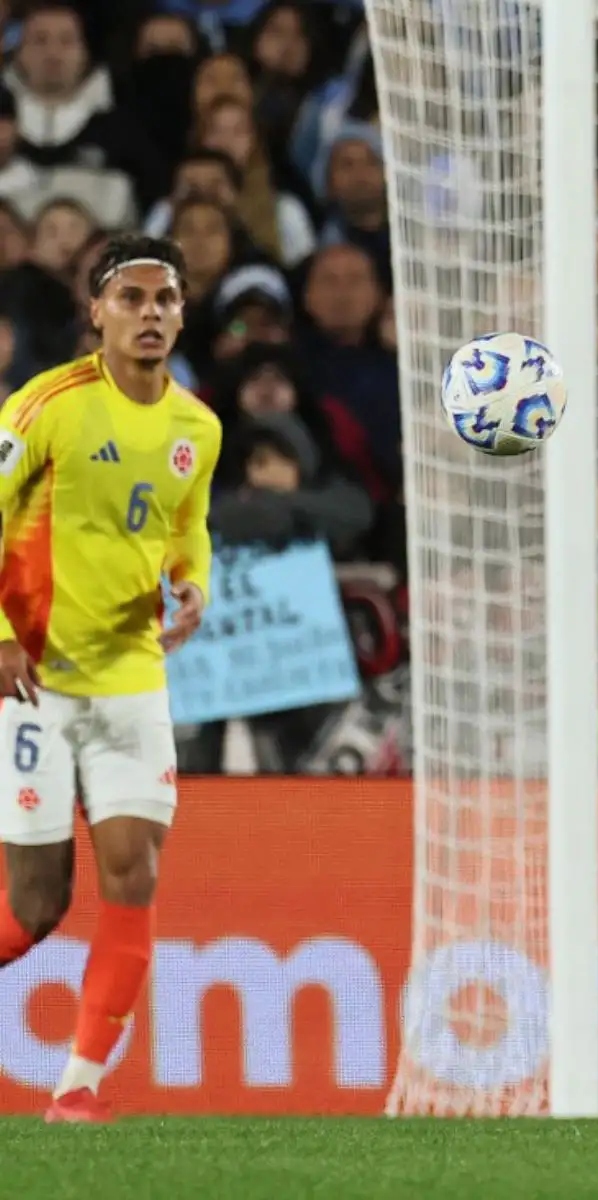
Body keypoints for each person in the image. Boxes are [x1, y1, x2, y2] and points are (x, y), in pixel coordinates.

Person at [0, 234, 222, 1123]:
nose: (150, 315)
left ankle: (79, 1093)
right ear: (96, 312)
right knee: (38, 902)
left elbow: (186, 524)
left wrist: (193, 577)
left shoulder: (196, 427)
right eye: (131, 299)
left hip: (132, 679)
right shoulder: (45, 406)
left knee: (132, 872)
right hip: (36, 681)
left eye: (165, 300)